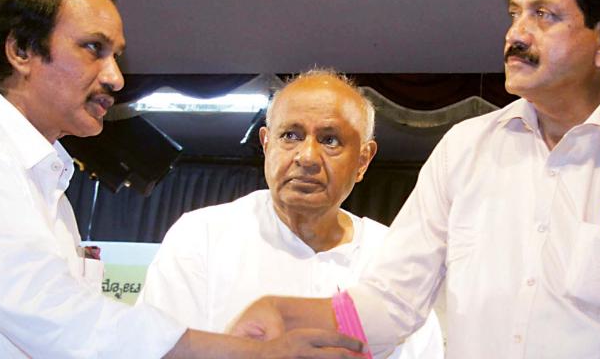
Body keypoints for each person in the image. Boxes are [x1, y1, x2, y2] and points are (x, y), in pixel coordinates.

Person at [231, 0, 600, 358]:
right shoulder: (465, 149)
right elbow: (390, 302)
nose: (516, 34)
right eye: (515, 13)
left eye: (543, 15)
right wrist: (286, 315)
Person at [0, 0, 364, 358]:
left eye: (115, 55)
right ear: (20, 50)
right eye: (93, 49)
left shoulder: (38, 178)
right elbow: (60, 321)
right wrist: (254, 353)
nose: (115, 77)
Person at [137, 70, 444, 358]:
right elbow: (154, 350)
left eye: (330, 140)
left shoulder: (395, 256)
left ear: (363, 160)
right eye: (291, 136)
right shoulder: (201, 236)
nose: (307, 157)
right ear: (266, 144)